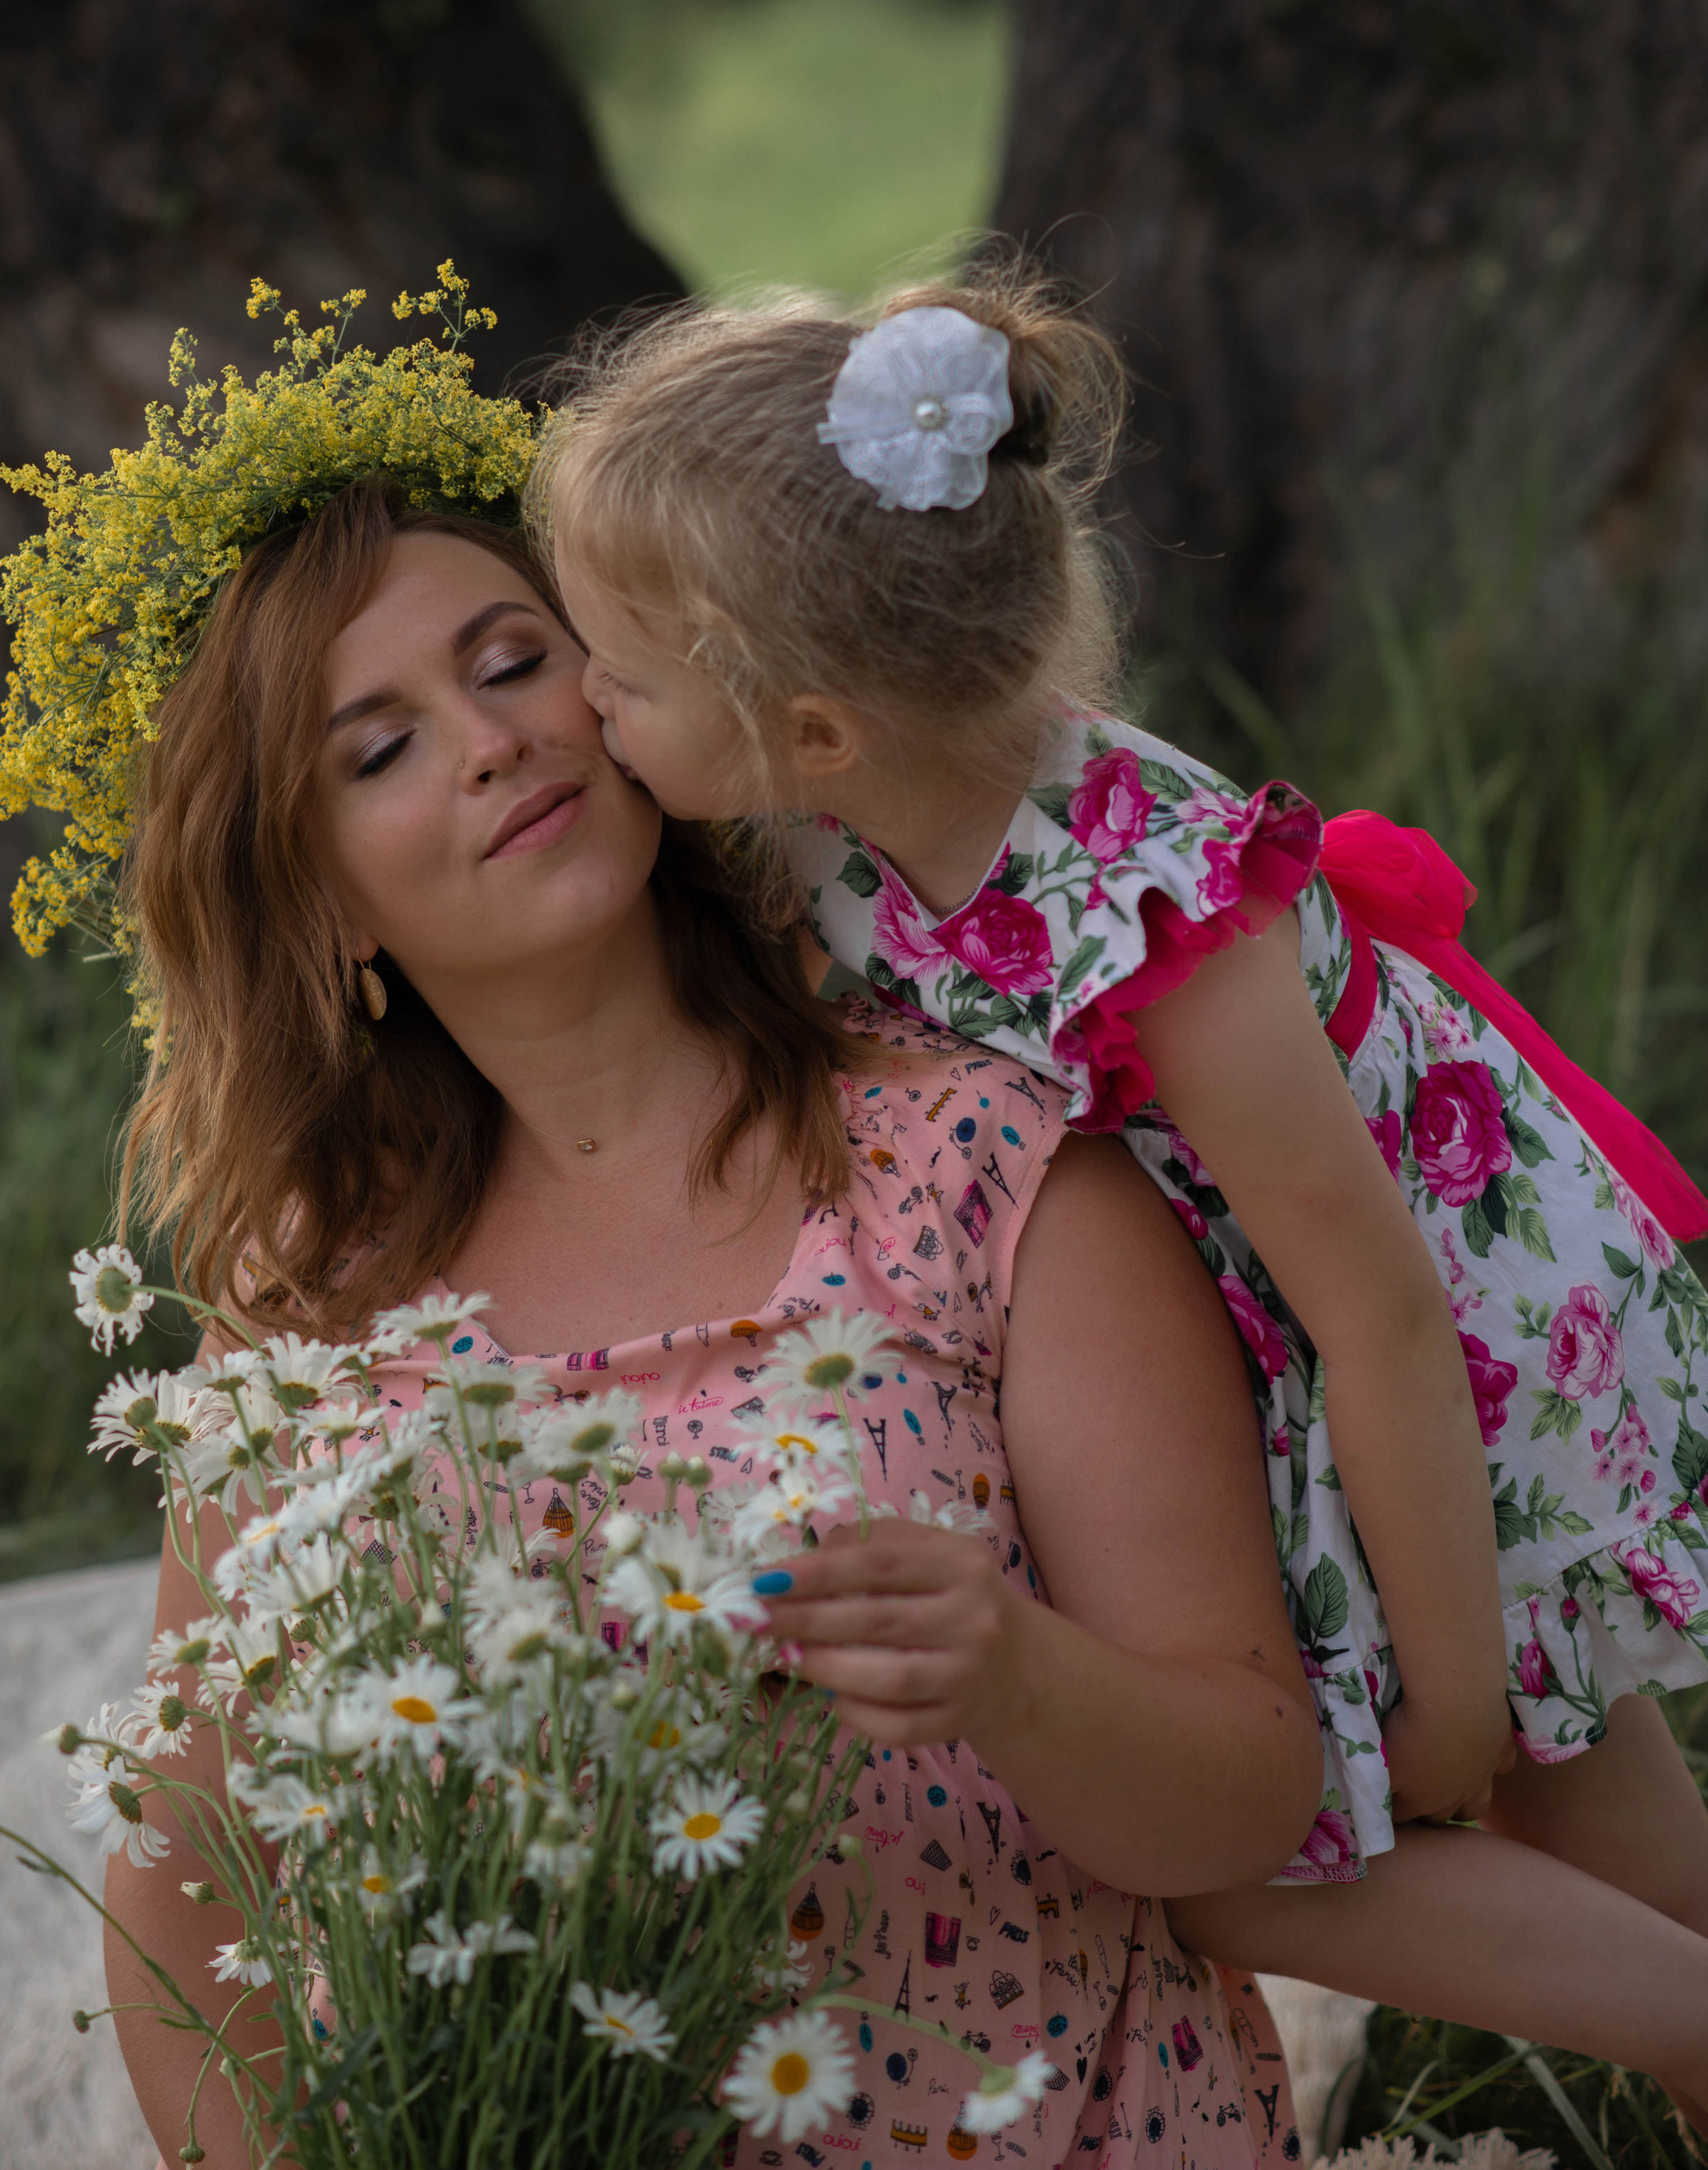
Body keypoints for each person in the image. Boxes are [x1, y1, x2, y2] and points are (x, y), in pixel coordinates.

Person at [536, 272, 1708, 2098]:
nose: (581, 697)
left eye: (620, 669)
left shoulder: (1158, 923)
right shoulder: (853, 818)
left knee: (1368, 1827)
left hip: (1440, 1361)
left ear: (815, 730)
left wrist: (1453, 1686)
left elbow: (1380, 1303)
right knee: (1601, 1840)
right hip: (1304, 1343)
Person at [102, 478, 1330, 2170]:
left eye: (512, 660)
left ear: (627, 687)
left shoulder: (984, 1166)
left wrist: (1013, 1675)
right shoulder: (303, 1310)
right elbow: (182, 1872)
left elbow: (1252, 1792)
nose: (488, 741)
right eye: (375, 750)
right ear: (322, 908)